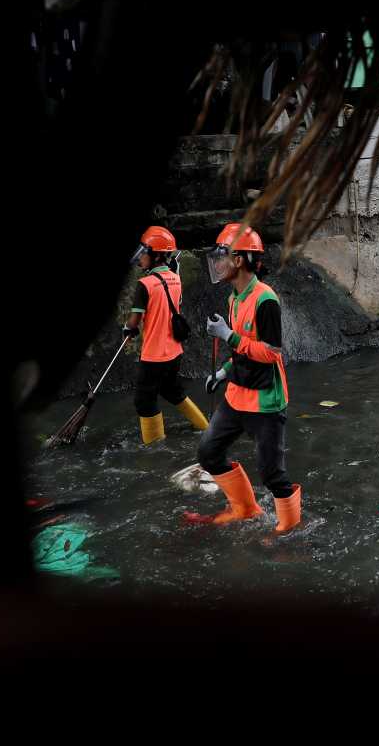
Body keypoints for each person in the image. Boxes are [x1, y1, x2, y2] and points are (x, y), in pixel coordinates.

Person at [183, 224, 301, 532]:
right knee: (208, 453)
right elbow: (242, 352)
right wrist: (222, 373)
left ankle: (290, 531)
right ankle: (245, 509)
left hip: (265, 401)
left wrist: (228, 335)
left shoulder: (266, 300)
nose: (216, 263)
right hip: (237, 394)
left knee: (273, 476)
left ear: (239, 261)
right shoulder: (235, 298)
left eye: (221, 256)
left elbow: (271, 353)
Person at [124, 226, 208, 444]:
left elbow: (135, 320)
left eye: (145, 253)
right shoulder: (175, 278)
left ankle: (155, 450)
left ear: (157, 255)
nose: (141, 257)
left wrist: (128, 327)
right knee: (173, 391)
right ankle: (205, 428)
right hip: (174, 352)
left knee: (144, 403)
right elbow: (175, 306)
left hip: (154, 355)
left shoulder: (144, 284)